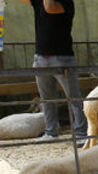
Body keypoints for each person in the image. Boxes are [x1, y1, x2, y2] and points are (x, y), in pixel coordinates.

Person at [31, 0, 87, 145]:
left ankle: (82, 132)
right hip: (40, 57)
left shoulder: (66, 2)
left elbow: (50, 8)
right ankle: (51, 132)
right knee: (46, 98)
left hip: (62, 58)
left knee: (73, 97)